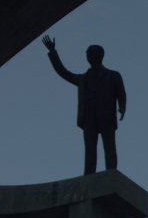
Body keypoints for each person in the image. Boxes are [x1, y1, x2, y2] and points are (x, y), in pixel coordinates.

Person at [41, 35, 126, 175]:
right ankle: (88, 176)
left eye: (90, 54)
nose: (88, 57)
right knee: (90, 150)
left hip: (106, 116)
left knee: (109, 148)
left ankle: (111, 174)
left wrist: (122, 107)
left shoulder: (113, 75)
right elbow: (63, 72)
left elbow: (121, 93)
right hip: (88, 117)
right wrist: (53, 52)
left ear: (99, 55)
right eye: (88, 54)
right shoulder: (83, 78)